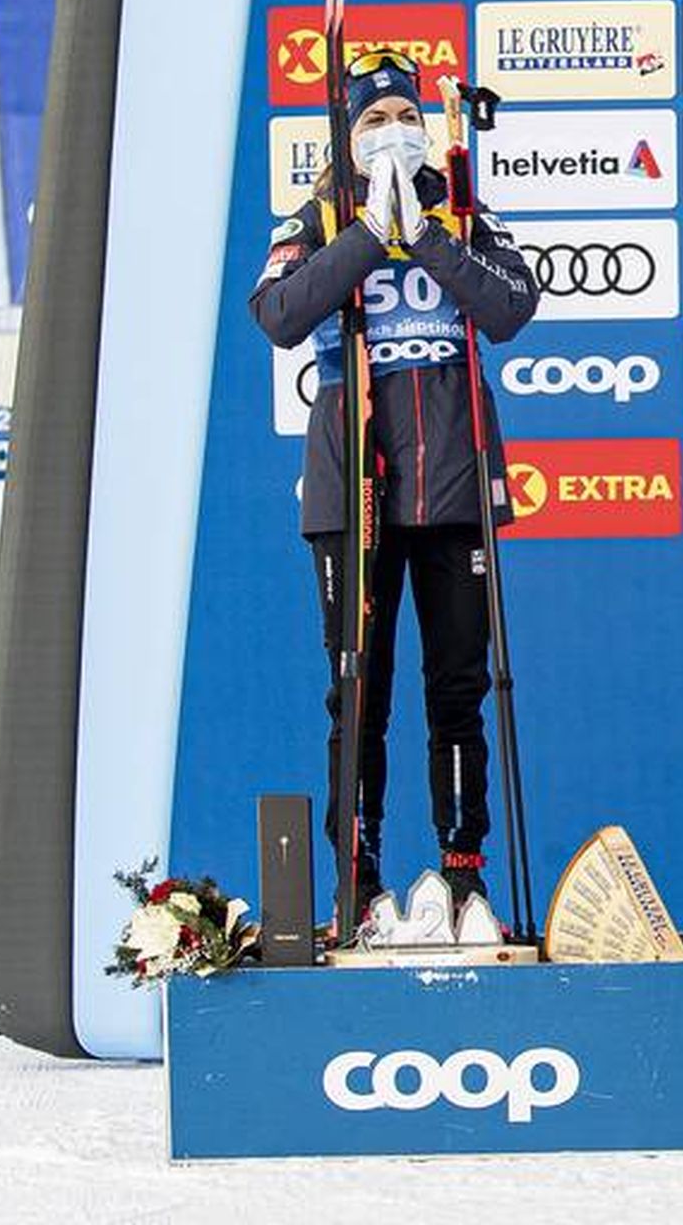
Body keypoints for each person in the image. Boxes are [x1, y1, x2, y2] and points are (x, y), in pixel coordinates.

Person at [250, 46, 538, 938]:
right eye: (373, 121)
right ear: (345, 135)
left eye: (405, 117)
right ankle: (361, 882)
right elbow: (278, 315)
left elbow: (511, 308)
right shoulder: (319, 215)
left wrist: (428, 236)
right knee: (359, 692)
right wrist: (368, 236)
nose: (392, 133)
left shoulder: (463, 209)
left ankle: (463, 877)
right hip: (356, 491)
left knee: (458, 689)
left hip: (455, 486)